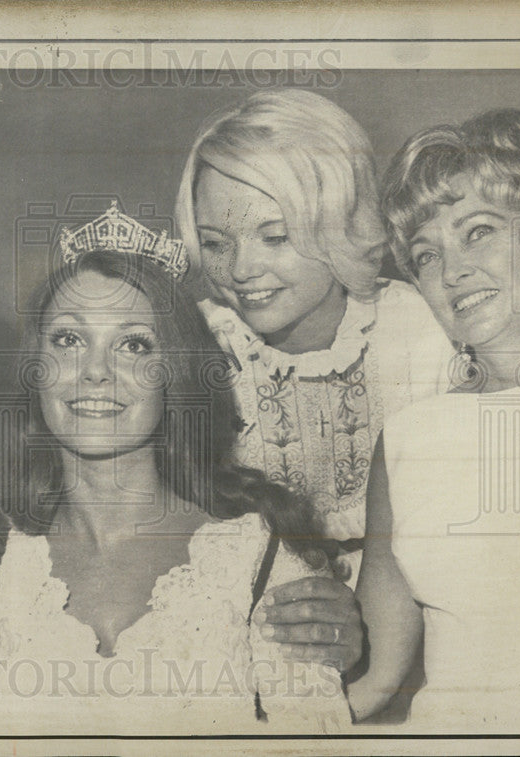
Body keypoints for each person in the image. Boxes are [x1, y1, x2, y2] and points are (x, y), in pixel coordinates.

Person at [0, 208, 360, 729]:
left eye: (133, 345)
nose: (94, 371)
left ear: (174, 373)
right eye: (68, 339)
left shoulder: (256, 554)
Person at [347, 109, 520, 729]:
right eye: (426, 256)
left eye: (477, 231)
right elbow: (374, 674)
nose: (450, 271)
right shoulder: (409, 440)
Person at [174, 89, 454, 591]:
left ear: (343, 224)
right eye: (216, 243)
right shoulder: (194, 345)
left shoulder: (422, 330)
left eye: (275, 237)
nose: (241, 270)